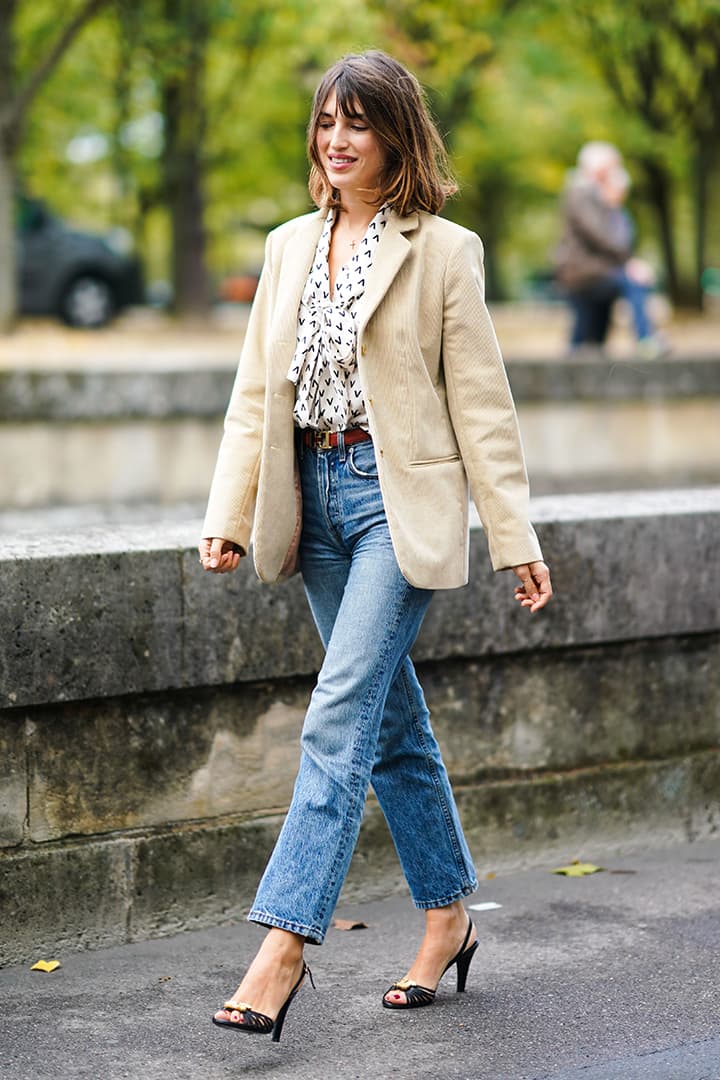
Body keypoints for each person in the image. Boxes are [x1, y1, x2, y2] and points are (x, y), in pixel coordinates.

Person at [199, 50, 552, 1042]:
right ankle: (447, 919)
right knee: (391, 726)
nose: (338, 140)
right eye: (326, 122)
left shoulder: (445, 251)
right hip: (310, 503)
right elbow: (252, 400)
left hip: (399, 504)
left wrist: (514, 534)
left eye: (359, 122)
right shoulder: (283, 248)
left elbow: (483, 408)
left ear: (397, 135)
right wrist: (228, 515)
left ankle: (283, 946)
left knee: (340, 710)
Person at [555, 141, 668, 357]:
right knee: (632, 281)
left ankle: (640, 339)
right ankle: (645, 338)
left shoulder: (593, 193)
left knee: (588, 337)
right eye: (612, 166)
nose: (616, 171)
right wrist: (629, 263)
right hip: (584, 271)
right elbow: (599, 236)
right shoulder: (579, 191)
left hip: (595, 269)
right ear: (598, 167)